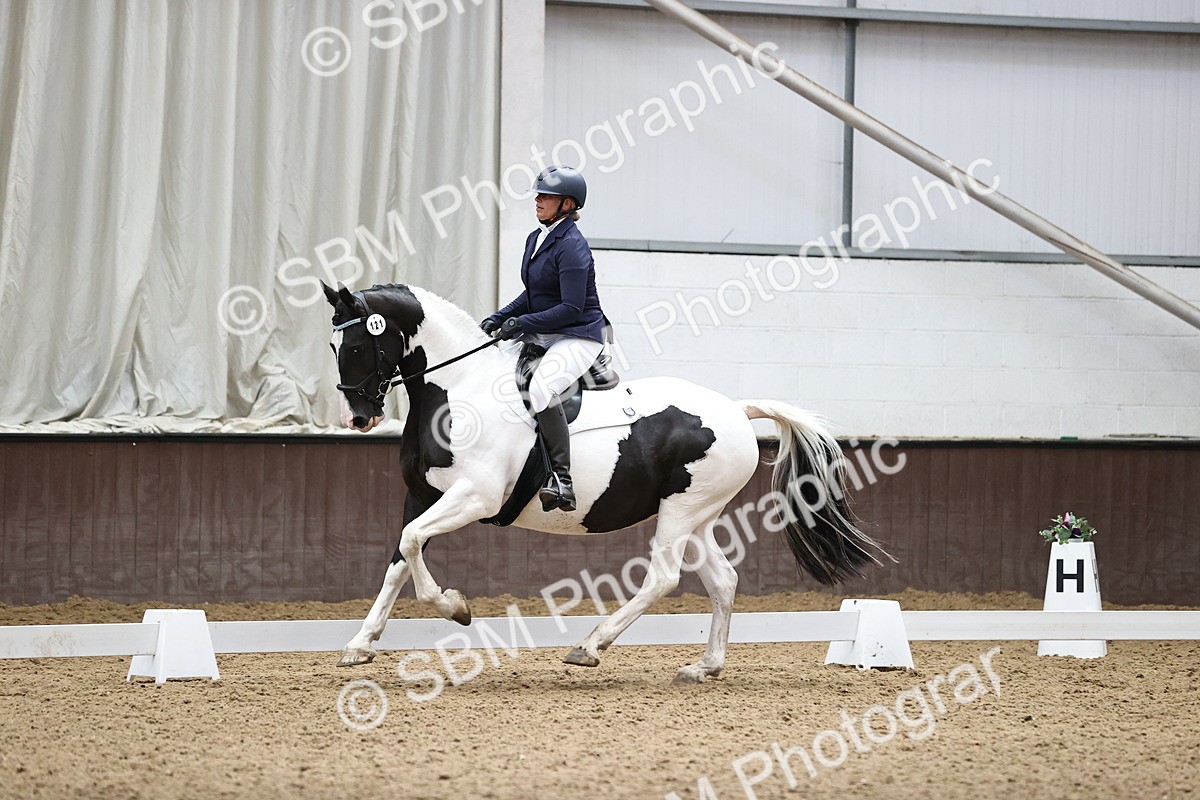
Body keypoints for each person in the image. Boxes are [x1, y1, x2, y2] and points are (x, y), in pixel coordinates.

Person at [482, 165, 607, 513]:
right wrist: (501, 316)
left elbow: (570, 307)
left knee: (542, 390)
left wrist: (520, 322)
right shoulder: (536, 238)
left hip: (578, 335)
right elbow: (533, 294)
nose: (537, 200)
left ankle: (562, 481)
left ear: (567, 204)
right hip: (547, 330)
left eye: (546, 196)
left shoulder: (573, 247)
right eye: (538, 194)